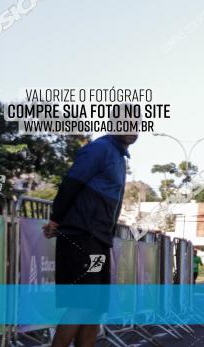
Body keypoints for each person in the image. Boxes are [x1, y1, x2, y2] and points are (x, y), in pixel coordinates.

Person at [43, 130, 137, 347]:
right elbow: (71, 183)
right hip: (81, 234)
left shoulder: (119, 157)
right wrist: (56, 219)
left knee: (94, 309)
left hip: (99, 238)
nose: (132, 130)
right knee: (81, 304)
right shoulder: (99, 148)